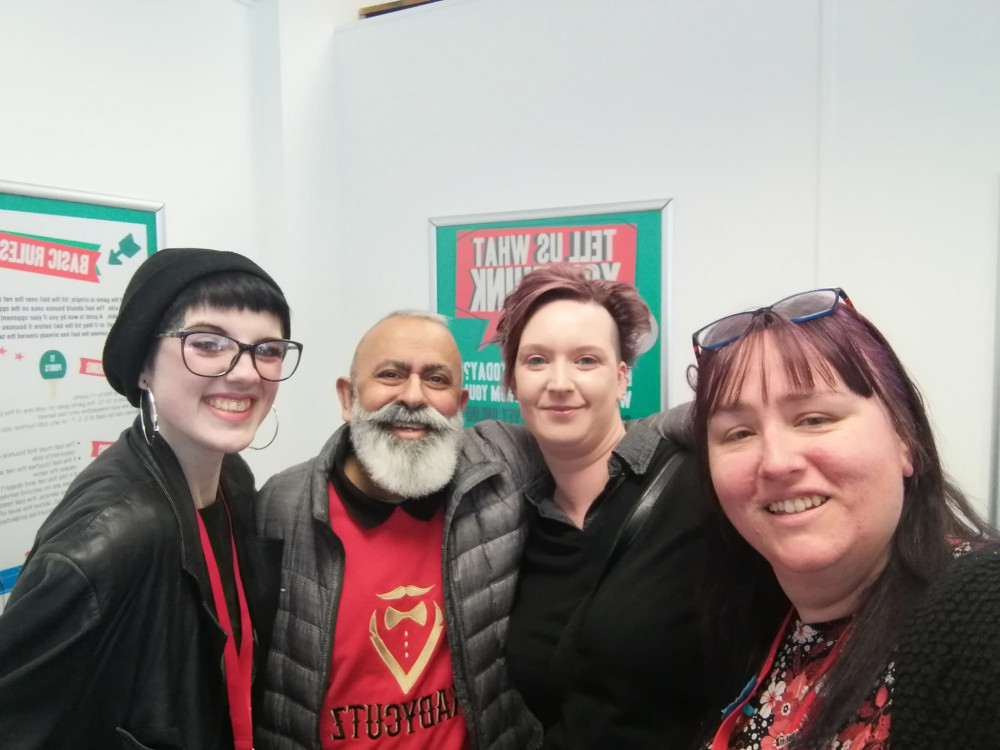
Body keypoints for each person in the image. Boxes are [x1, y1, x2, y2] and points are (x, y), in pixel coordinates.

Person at [0, 248, 301, 750]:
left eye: (267, 350)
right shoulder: (112, 537)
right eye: (207, 343)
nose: (246, 373)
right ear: (143, 366)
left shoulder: (234, 484)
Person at [690, 287, 1000, 749]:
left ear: (905, 442)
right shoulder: (742, 622)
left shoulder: (983, 614)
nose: (776, 462)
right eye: (739, 432)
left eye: (814, 419)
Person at [254, 310, 543, 750]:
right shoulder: (280, 505)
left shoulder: (502, 471)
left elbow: (606, 441)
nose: (413, 397)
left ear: (461, 406)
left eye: (436, 380)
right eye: (390, 374)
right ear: (348, 397)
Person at [496, 265, 757, 749]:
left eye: (586, 360)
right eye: (536, 360)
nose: (558, 382)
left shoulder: (699, 484)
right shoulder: (516, 522)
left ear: (620, 379)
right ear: (512, 381)